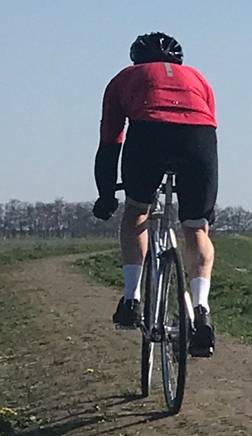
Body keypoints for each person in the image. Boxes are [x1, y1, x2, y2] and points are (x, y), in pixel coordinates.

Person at [91, 32, 219, 357]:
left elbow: (110, 142)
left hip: (148, 135)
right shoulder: (199, 78)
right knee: (196, 227)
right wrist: (206, 205)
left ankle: (131, 298)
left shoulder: (125, 77)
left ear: (137, 58)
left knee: (137, 211)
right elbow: (208, 127)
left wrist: (106, 194)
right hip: (199, 141)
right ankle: (201, 308)